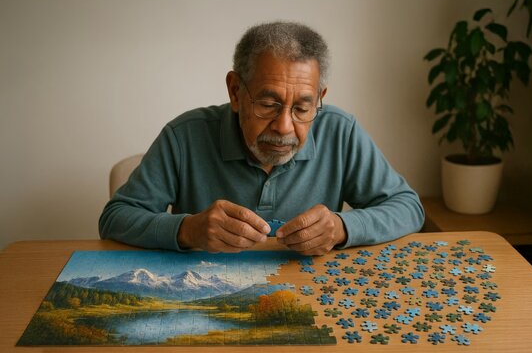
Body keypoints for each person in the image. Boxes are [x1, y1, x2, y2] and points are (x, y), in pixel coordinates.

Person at [99, 21, 424, 256]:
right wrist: (188, 229)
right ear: (236, 92)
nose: (284, 126)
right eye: (268, 105)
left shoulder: (341, 131)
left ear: (319, 98)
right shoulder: (184, 136)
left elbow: (408, 207)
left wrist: (341, 228)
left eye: (302, 108)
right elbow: (115, 217)